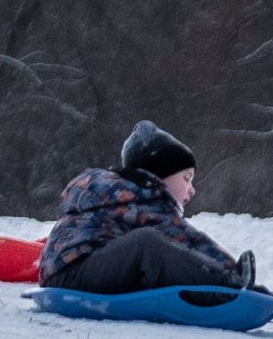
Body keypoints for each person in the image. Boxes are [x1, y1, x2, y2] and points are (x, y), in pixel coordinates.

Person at [40, 121, 256, 296]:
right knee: (147, 244)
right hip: (74, 273)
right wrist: (233, 276)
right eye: (186, 179)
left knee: (151, 248)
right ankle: (223, 286)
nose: (192, 190)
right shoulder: (144, 199)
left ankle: (225, 283)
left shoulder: (121, 192)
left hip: (66, 271)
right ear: (160, 175)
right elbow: (190, 240)